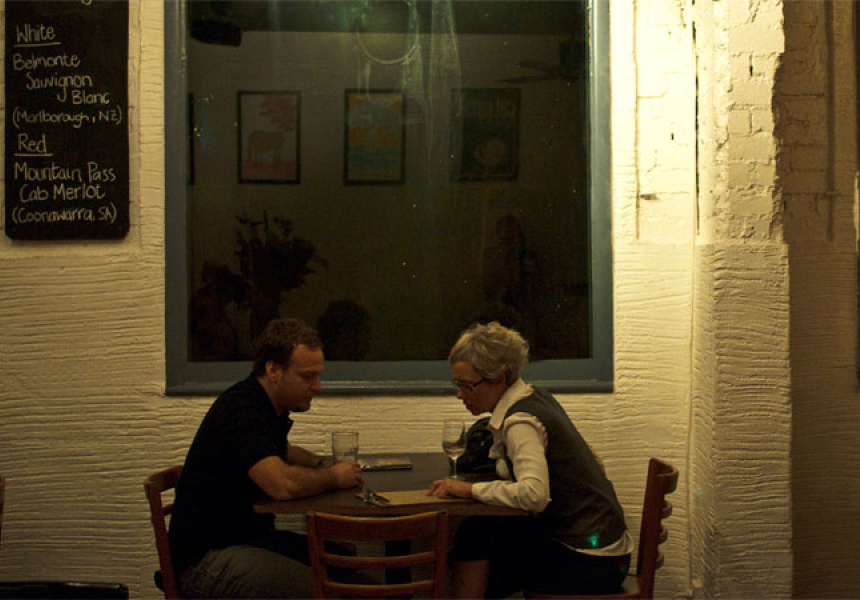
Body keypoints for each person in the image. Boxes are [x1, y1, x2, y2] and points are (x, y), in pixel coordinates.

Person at [429, 321, 632, 598]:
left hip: (591, 560)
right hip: (608, 550)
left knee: (475, 541)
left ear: (498, 379)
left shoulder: (521, 420)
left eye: (467, 386)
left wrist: (470, 489)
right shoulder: (535, 396)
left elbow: (534, 495)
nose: (459, 394)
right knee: (478, 533)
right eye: (457, 385)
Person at [169, 318, 363, 598]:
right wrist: (333, 476)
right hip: (206, 559)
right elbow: (282, 485)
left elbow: (281, 450)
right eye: (307, 377)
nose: (318, 386)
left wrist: (319, 463)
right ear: (273, 371)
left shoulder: (266, 405)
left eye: (318, 376)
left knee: (343, 563)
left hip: (247, 540)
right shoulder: (241, 410)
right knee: (326, 588)